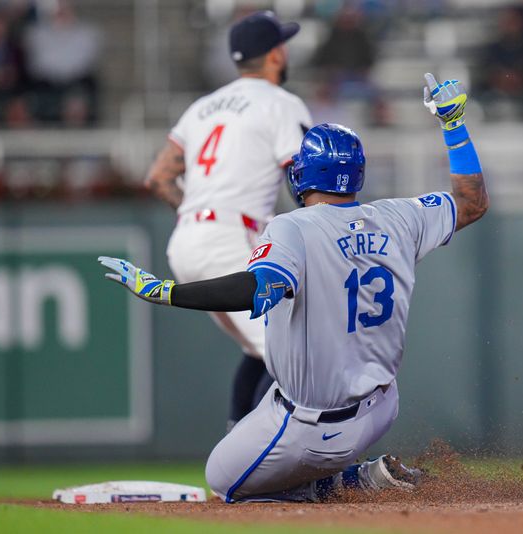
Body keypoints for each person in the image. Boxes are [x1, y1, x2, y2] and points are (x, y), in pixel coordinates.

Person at [100, 73, 487, 502]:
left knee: (223, 481)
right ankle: (348, 469)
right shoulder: (401, 216)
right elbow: (472, 202)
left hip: (314, 426)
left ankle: (350, 480)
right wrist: (453, 124)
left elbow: (255, 289)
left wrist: (166, 291)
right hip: (381, 408)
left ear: (301, 175)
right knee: (266, 405)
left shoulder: (291, 227)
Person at [145, 11, 312, 432]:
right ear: (275, 54)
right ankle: (258, 463)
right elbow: (303, 180)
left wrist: (196, 216)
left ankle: (238, 448)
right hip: (233, 236)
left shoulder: (202, 107)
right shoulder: (281, 103)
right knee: (288, 354)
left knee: (260, 352)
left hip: (188, 238)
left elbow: (159, 177)